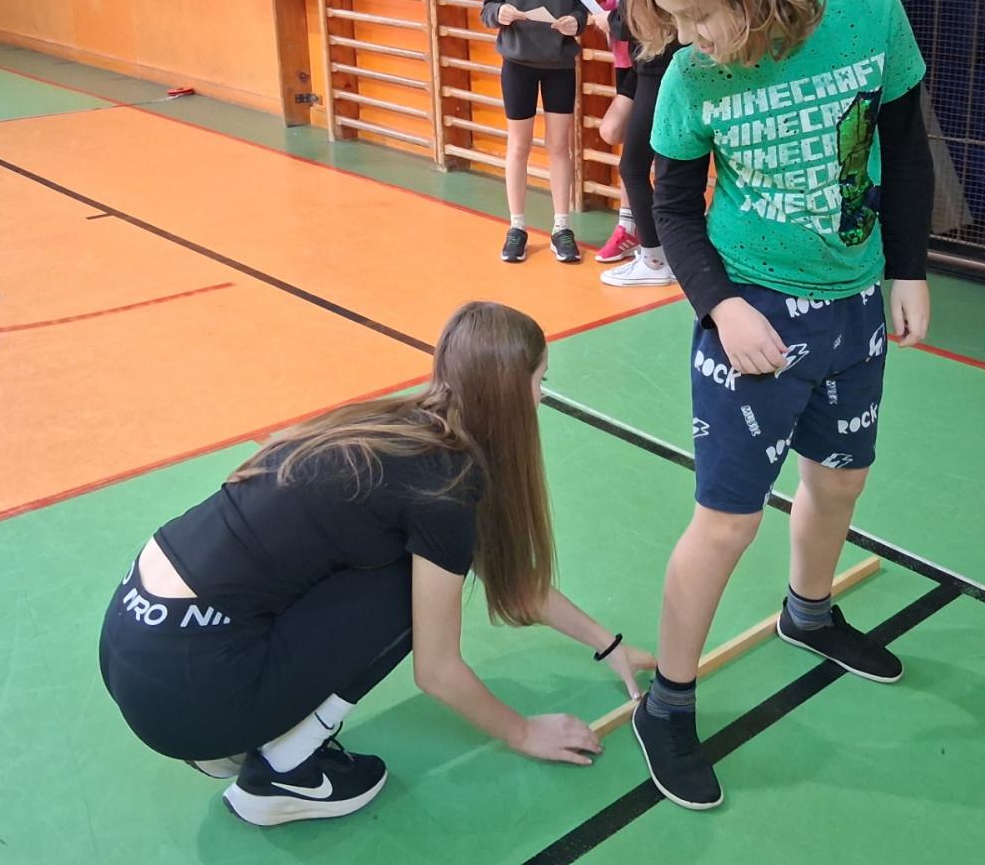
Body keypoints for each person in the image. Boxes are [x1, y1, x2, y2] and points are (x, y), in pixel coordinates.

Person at [621, 0, 935, 810]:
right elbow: (673, 208)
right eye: (674, 17)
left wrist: (908, 268)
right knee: (727, 520)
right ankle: (667, 706)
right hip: (752, 312)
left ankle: (810, 612)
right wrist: (721, 307)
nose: (687, 37)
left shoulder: (872, 19)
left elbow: (906, 148)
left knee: (839, 482)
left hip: (854, 305)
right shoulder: (692, 79)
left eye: (699, 15)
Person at [98, 301, 654, 827]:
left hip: (134, 642)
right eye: (540, 380)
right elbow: (437, 670)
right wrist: (523, 732)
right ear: (509, 392)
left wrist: (608, 645)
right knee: (413, 586)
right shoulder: (445, 485)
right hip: (187, 689)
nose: (541, 396)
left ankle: (238, 730)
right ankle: (284, 772)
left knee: (410, 563)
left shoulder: (397, 426)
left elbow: (504, 572)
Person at [481, 0, 593, 264]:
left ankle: (562, 226)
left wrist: (576, 21)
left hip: (559, 64)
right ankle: (517, 226)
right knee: (519, 146)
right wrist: (500, 13)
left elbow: (585, 6)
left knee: (560, 146)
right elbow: (487, 7)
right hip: (518, 65)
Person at [599, 0, 688, 288]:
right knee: (668, 173)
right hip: (657, 69)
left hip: (660, 69)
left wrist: (612, 21)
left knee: (636, 167)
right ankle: (668, 256)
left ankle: (655, 260)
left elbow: (636, 23)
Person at [586, 0, 650, 265]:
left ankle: (650, 231)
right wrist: (600, 13)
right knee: (625, 142)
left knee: (628, 141)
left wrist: (615, 18)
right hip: (625, 56)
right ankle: (631, 227)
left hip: (654, 57)